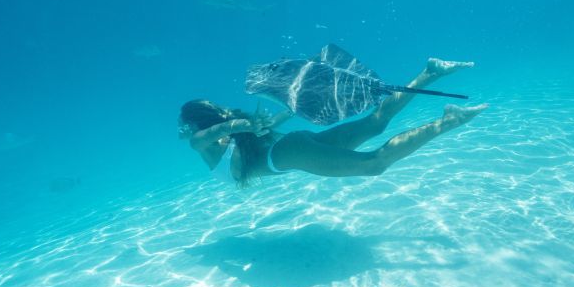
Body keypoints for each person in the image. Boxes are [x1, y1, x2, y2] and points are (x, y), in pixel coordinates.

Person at [178, 58, 487, 187]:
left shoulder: (200, 143)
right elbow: (240, 127)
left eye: (183, 124)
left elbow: (221, 130)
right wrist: (250, 124)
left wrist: (239, 126)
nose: (181, 130)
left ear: (194, 123)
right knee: (374, 124)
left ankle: (447, 121)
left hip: (287, 155)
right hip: (292, 145)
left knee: (373, 164)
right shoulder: (233, 133)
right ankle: (430, 72)